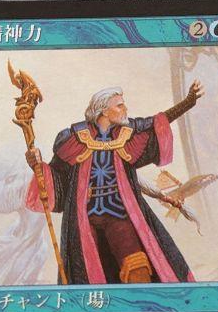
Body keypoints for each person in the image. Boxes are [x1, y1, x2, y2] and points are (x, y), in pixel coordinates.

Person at [24, 81, 204, 284]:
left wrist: (188, 102)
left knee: (138, 269)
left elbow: (157, 122)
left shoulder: (128, 133)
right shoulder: (73, 138)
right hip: (84, 219)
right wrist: (37, 165)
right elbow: (57, 175)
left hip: (119, 213)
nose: (125, 108)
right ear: (104, 111)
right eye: (119, 105)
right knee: (87, 273)